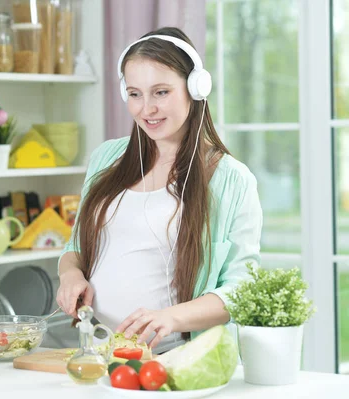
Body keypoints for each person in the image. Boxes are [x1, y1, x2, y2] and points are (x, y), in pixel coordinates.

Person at [56, 27, 263, 354]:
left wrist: (171, 318)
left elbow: (241, 290)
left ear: (195, 89)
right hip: (96, 352)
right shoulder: (106, 158)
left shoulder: (230, 179)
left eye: (161, 92)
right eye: (135, 94)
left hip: (176, 359)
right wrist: (70, 275)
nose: (146, 109)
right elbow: (75, 247)